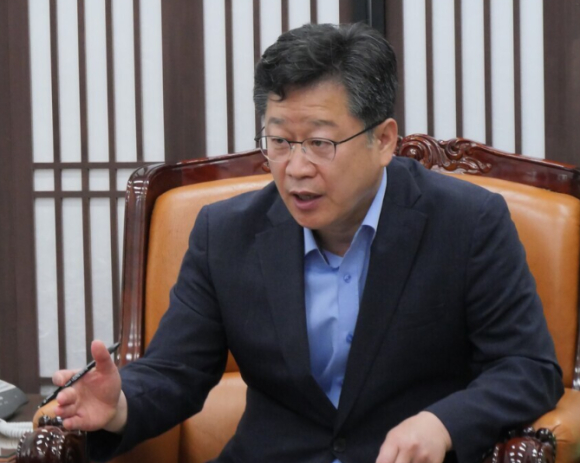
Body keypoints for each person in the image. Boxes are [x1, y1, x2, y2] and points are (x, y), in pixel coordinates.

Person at [51, 23, 563, 463]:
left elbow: (528, 368)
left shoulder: (467, 223)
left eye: (320, 142)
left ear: (383, 140)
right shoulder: (224, 234)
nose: (296, 168)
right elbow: (176, 371)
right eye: (279, 141)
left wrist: (442, 423)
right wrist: (118, 405)